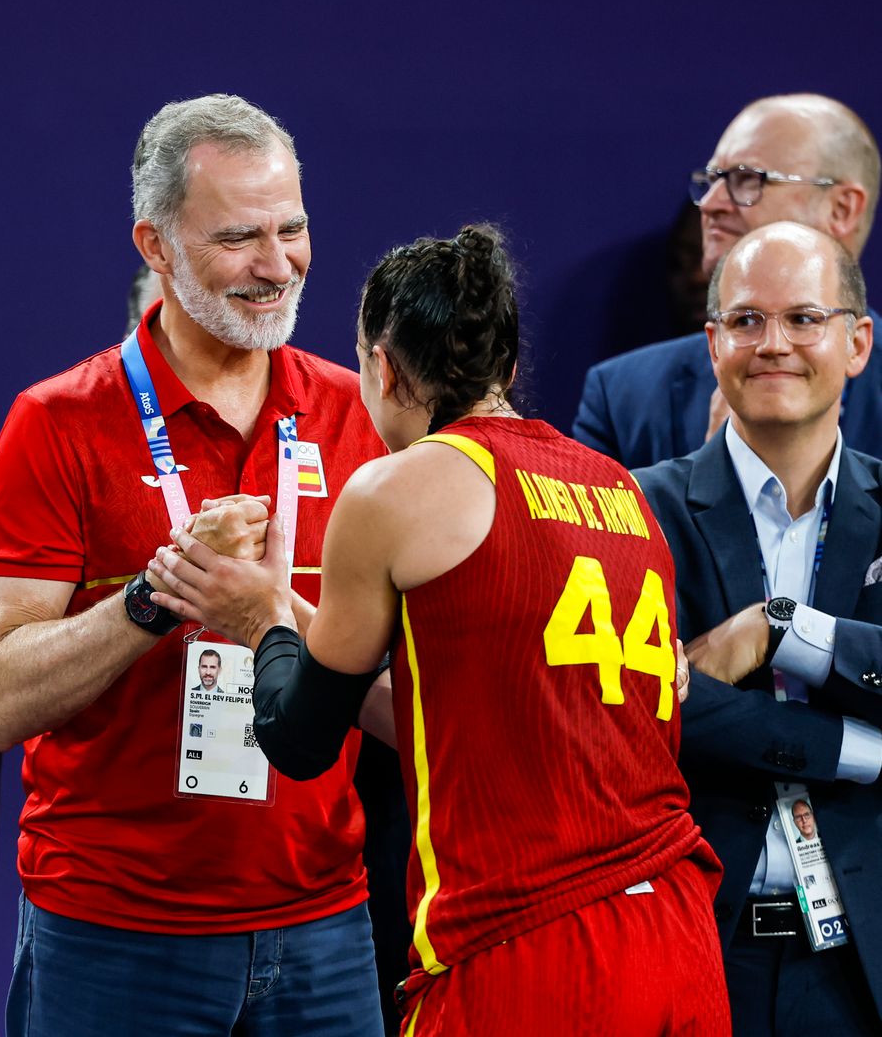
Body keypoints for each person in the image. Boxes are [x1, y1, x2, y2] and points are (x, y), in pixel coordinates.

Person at [151, 225, 730, 1035]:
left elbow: (299, 736)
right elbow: (475, 707)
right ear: (510, 367)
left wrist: (261, 619)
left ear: (383, 367)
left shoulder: (394, 490)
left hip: (528, 948)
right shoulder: (622, 493)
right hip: (678, 934)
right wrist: (299, 621)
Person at [0, 94, 386, 1036]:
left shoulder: (359, 415)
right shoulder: (57, 422)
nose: (278, 267)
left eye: (294, 229)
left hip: (323, 925)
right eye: (240, 238)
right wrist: (153, 601)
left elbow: (408, 704)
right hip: (114, 935)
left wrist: (272, 619)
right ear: (154, 246)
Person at [636, 222, 882, 1034]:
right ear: (712, 344)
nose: (773, 344)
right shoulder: (632, 510)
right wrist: (864, 749)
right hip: (698, 937)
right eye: (746, 321)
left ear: (858, 341)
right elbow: (648, 707)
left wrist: (782, 629)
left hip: (864, 954)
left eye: (804, 319)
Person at [573, 93, 882, 469]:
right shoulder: (623, 396)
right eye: (713, 179)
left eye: (747, 180)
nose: (711, 203)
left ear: (842, 209)